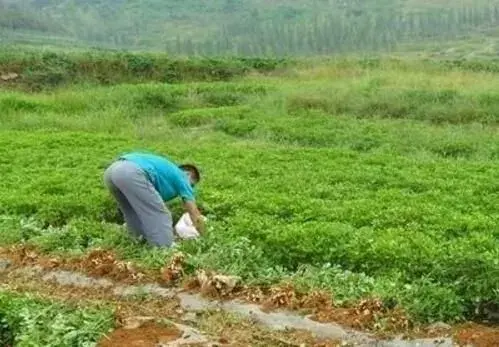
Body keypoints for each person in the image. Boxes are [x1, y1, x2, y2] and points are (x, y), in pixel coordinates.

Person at [103, 151, 205, 247]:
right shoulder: (182, 176)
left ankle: (138, 243)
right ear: (188, 174)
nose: (190, 188)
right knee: (161, 214)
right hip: (131, 172)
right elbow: (193, 212)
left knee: (133, 213)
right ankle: (165, 252)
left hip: (112, 171)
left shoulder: (166, 173)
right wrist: (204, 235)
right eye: (192, 184)